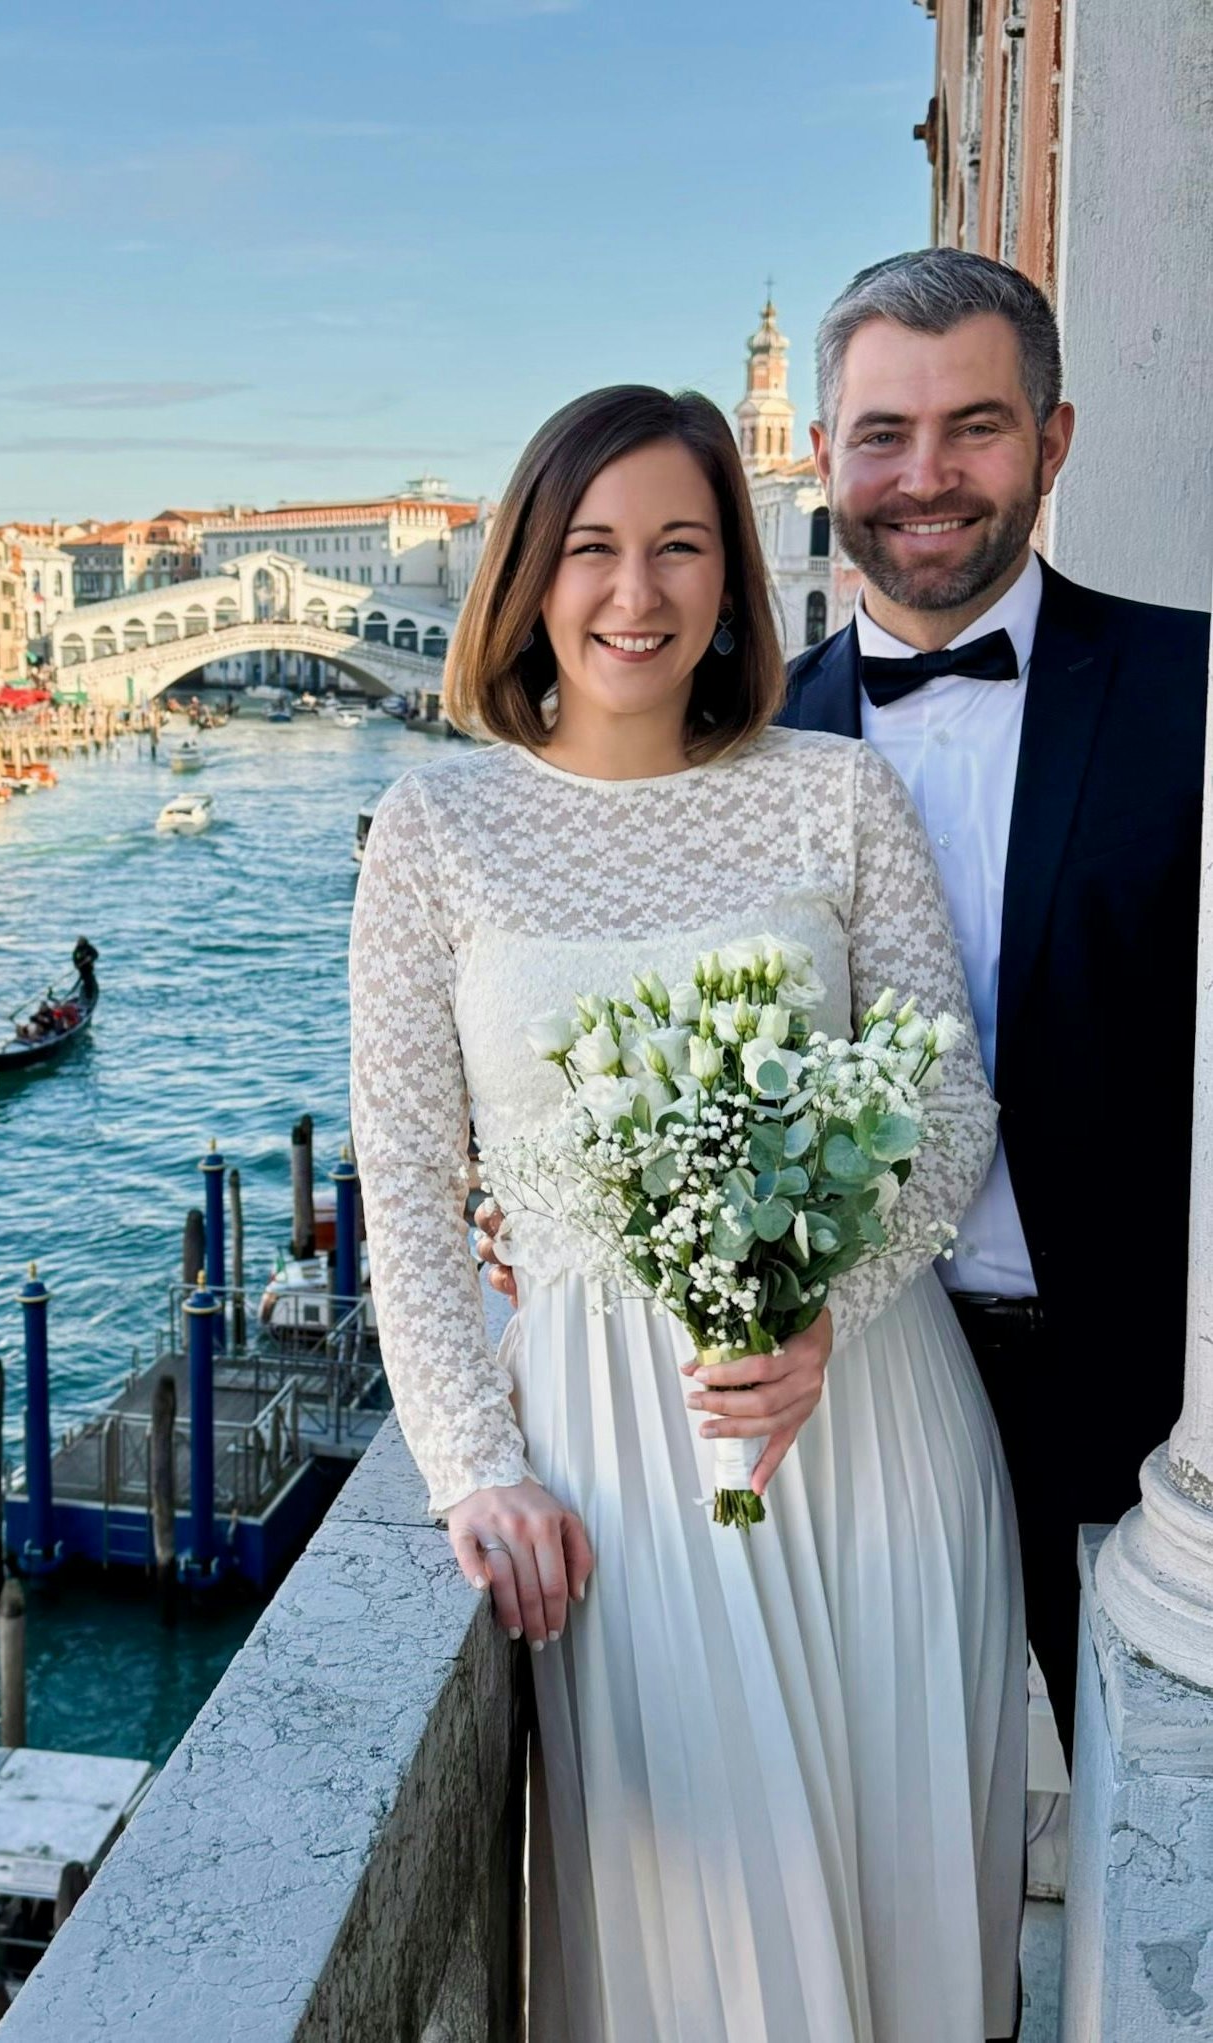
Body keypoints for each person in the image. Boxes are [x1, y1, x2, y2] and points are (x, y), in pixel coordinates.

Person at [350, 386, 1027, 2042]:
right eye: (589, 548)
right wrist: (474, 1468)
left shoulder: (832, 795)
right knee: (699, 1964)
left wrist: (821, 1317)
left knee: (899, 1926)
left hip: (867, 1421)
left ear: (735, 575)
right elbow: (408, 1190)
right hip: (608, 1462)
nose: (633, 594)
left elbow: (945, 1108)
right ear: (526, 574)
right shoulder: (433, 830)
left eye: (678, 546)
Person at [479, 249, 1210, 1770]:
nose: (923, 477)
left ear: (1053, 445)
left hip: (1143, 1396)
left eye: (976, 428)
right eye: (880, 434)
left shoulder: (1187, 689)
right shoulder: (727, 747)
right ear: (819, 459)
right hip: (828, 1403)